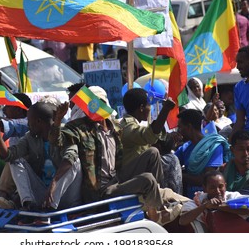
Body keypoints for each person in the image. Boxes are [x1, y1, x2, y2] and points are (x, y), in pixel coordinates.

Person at [49, 86, 190, 226]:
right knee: (147, 179)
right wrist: (57, 121)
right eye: (91, 105)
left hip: (118, 177)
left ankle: (154, 200)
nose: (94, 108)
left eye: (99, 103)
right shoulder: (80, 129)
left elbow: (151, 135)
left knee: (152, 153)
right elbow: (57, 140)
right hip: (101, 190)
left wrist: (169, 135)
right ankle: (156, 216)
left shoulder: (115, 128)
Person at [0, 101, 83, 211]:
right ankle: (28, 204)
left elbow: (70, 157)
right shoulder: (30, 137)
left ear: (38, 121)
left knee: (74, 162)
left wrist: (54, 183)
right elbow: (8, 155)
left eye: (29, 121)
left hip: (66, 195)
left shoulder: (65, 133)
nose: (28, 124)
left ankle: (50, 207)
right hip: (44, 194)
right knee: (15, 161)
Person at [119, 88, 175, 187]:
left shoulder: (134, 124)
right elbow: (149, 136)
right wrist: (165, 110)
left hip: (136, 173)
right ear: (141, 108)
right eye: (149, 105)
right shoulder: (127, 127)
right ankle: (159, 190)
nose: (150, 108)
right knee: (153, 153)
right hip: (126, 177)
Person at [175, 109, 231, 198]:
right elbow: (171, 164)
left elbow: (206, 179)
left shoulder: (213, 146)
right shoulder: (185, 148)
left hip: (210, 199)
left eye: (180, 127)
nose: (179, 131)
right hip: (188, 199)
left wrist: (179, 174)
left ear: (189, 127)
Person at [179, 170, 249, 230]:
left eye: (221, 186)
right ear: (205, 188)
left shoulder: (232, 196)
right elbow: (182, 221)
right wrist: (205, 206)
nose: (218, 191)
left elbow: (248, 208)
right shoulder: (198, 201)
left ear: (225, 186)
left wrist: (218, 206)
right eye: (212, 188)